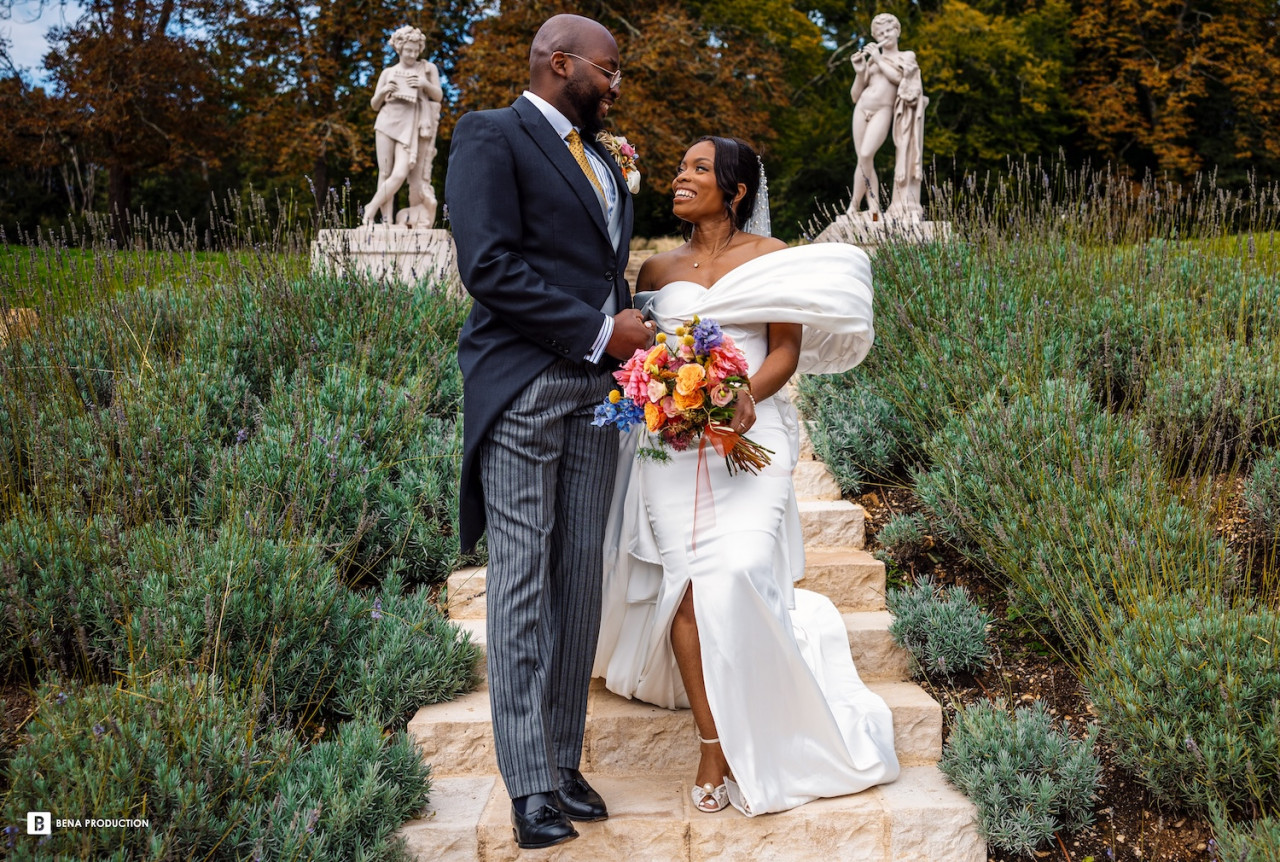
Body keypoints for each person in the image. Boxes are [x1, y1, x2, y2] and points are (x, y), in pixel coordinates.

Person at [594, 136, 900, 816]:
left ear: (734, 190)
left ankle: (773, 715)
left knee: (735, 573)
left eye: (698, 169)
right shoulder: (654, 267)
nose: (679, 177)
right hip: (671, 446)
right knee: (685, 590)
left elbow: (786, 350)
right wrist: (661, 396)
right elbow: (643, 352)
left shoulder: (776, 259)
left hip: (752, 437)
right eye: (678, 168)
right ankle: (714, 743)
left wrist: (741, 402)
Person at [445, 13, 653, 851]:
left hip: (599, 395)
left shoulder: (604, 157)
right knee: (525, 578)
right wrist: (600, 333)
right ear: (560, 62)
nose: (616, 85)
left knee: (578, 577)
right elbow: (488, 265)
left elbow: (598, 265)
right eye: (608, 70)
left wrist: (628, 325)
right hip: (526, 380)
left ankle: (561, 761)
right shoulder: (489, 136)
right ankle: (527, 785)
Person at [846, 13, 928, 220]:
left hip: (883, 110)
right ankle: (867, 206)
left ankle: (855, 206)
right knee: (863, 160)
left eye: (889, 30)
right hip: (862, 108)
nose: (885, 35)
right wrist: (859, 71)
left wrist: (878, 58)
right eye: (880, 33)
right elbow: (855, 95)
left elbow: (901, 79)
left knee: (865, 154)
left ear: (898, 31)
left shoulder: (905, 56)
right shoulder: (872, 62)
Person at [363, 26, 443, 227]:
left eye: (416, 50)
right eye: (408, 50)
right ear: (399, 48)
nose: (412, 54)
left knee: (400, 172)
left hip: (411, 125)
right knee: (385, 172)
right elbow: (374, 105)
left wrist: (424, 84)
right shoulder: (388, 72)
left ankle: (370, 208)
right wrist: (383, 92)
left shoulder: (427, 69)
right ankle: (387, 221)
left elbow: (439, 96)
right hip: (386, 122)